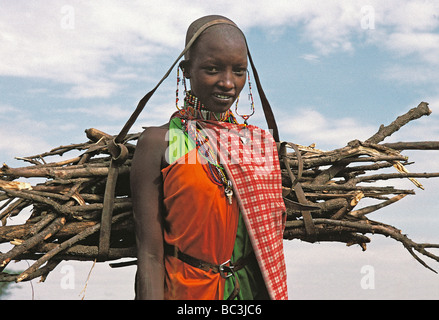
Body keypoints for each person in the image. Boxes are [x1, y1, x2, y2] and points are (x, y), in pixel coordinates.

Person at [130, 15, 288, 300]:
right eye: (212, 69)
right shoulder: (161, 142)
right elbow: (150, 254)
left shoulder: (256, 143)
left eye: (239, 71)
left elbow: (265, 248)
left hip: (247, 293)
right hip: (186, 293)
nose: (228, 83)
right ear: (187, 70)